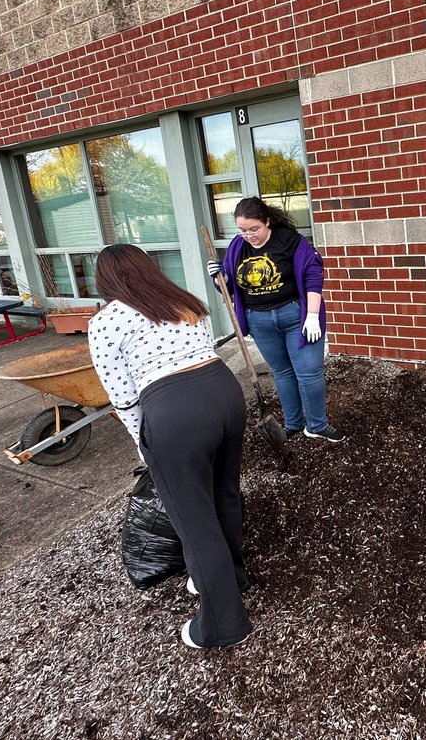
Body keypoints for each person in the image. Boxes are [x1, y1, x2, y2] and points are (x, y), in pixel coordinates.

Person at [88, 244, 252, 649]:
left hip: (176, 412)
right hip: (225, 394)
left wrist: (143, 441)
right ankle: (232, 576)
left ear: (105, 279)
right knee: (223, 494)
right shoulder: (184, 302)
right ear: (149, 269)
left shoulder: (106, 321)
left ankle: (222, 623)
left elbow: (122, 395)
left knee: (193, 517)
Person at [207, 197, 347, 443]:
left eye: (254, 229)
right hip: (259, 320)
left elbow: (313, 277)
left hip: (294, 316)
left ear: (267, 222)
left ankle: (317, 424)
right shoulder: (237, 248)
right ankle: (293, 423)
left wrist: (312, 316)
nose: (248, 235)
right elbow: (230, 290)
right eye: (242, 230)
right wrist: (220, 278)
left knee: (309, 372)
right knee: (282, 372)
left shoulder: (290, 241)